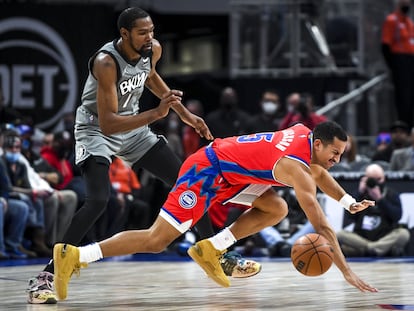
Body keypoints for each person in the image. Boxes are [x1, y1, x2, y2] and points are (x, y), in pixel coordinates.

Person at [26, 7, 258, 304]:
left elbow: (151, 78)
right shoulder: (106, 62)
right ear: (124, 34)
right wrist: (158, 113)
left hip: (134, 128)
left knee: (191, 180)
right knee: (98, 200)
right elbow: (109, 122)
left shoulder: (152, 49)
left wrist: (185, 114)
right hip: (96, 129)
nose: (150, 37)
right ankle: (48, 273)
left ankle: (213, 250)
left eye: (152, 31)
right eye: (142, 33)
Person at [52, 121, 379, 302]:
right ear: (318, 145)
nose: (337, 160)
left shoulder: (304, 134)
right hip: (206, 170)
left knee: (275, 206)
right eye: (334, 153)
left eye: (341, 154)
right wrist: (346, 272)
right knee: (156, 240)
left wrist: (348, 201)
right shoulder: (295, 168)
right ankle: (76, 255)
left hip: (231, 174)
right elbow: (321, 227)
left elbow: (322, 174)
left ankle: (212, 247)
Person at [337, 163, 410, 257]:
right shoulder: (359, 195)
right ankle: (375, 249)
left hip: (384, 237)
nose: (376, 183)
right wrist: (359, 193)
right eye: (372, 180)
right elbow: (349, 216)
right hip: (361, 238)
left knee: (403, 234)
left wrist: (380, 199)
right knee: (339, 234)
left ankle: (368, 249)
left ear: (384, 178)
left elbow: (397, 217)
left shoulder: (391, 194)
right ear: (366, 179)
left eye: (379, 179)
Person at [381, 0, 414, 128]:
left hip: (411, 60)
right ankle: (404, 125)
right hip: (400, 61)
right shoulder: (392, 20)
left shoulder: (409, 23)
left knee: (411, 96)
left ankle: (411, 126)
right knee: (403, 95)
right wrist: (394, 65)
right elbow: (385, 45)